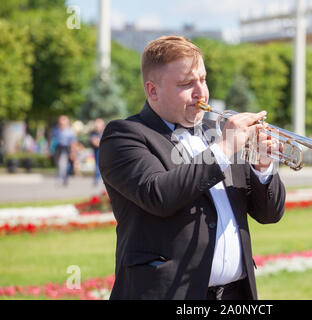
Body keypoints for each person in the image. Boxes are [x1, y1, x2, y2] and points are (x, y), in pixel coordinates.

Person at [99, 36, 286, 300]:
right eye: (187, 84)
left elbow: (270, 214)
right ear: (152, 91)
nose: (201, 93)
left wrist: (262, 166)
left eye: (203, 79)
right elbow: (159, 195)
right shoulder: (125, 135)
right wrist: (223, 149)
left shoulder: (216, 135)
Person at [51, 115, 77, 186]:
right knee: (59, 164)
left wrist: (72, 152)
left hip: (66, 148)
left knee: (63, 164)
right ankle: (64, 178)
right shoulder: (56, 130)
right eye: (60, 122)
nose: (61, 124)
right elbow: (52, 140)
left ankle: (61, 179)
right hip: (57, 148)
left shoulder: (70, 131)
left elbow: (73, 142)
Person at [90, 118, 105, 185]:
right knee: (97, 165)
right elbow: (94, 142)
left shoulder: (105, 132)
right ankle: (96, 179)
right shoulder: (94, 133)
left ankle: (102, 179)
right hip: (97, 151)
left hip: (104, 151)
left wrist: (99, 142)